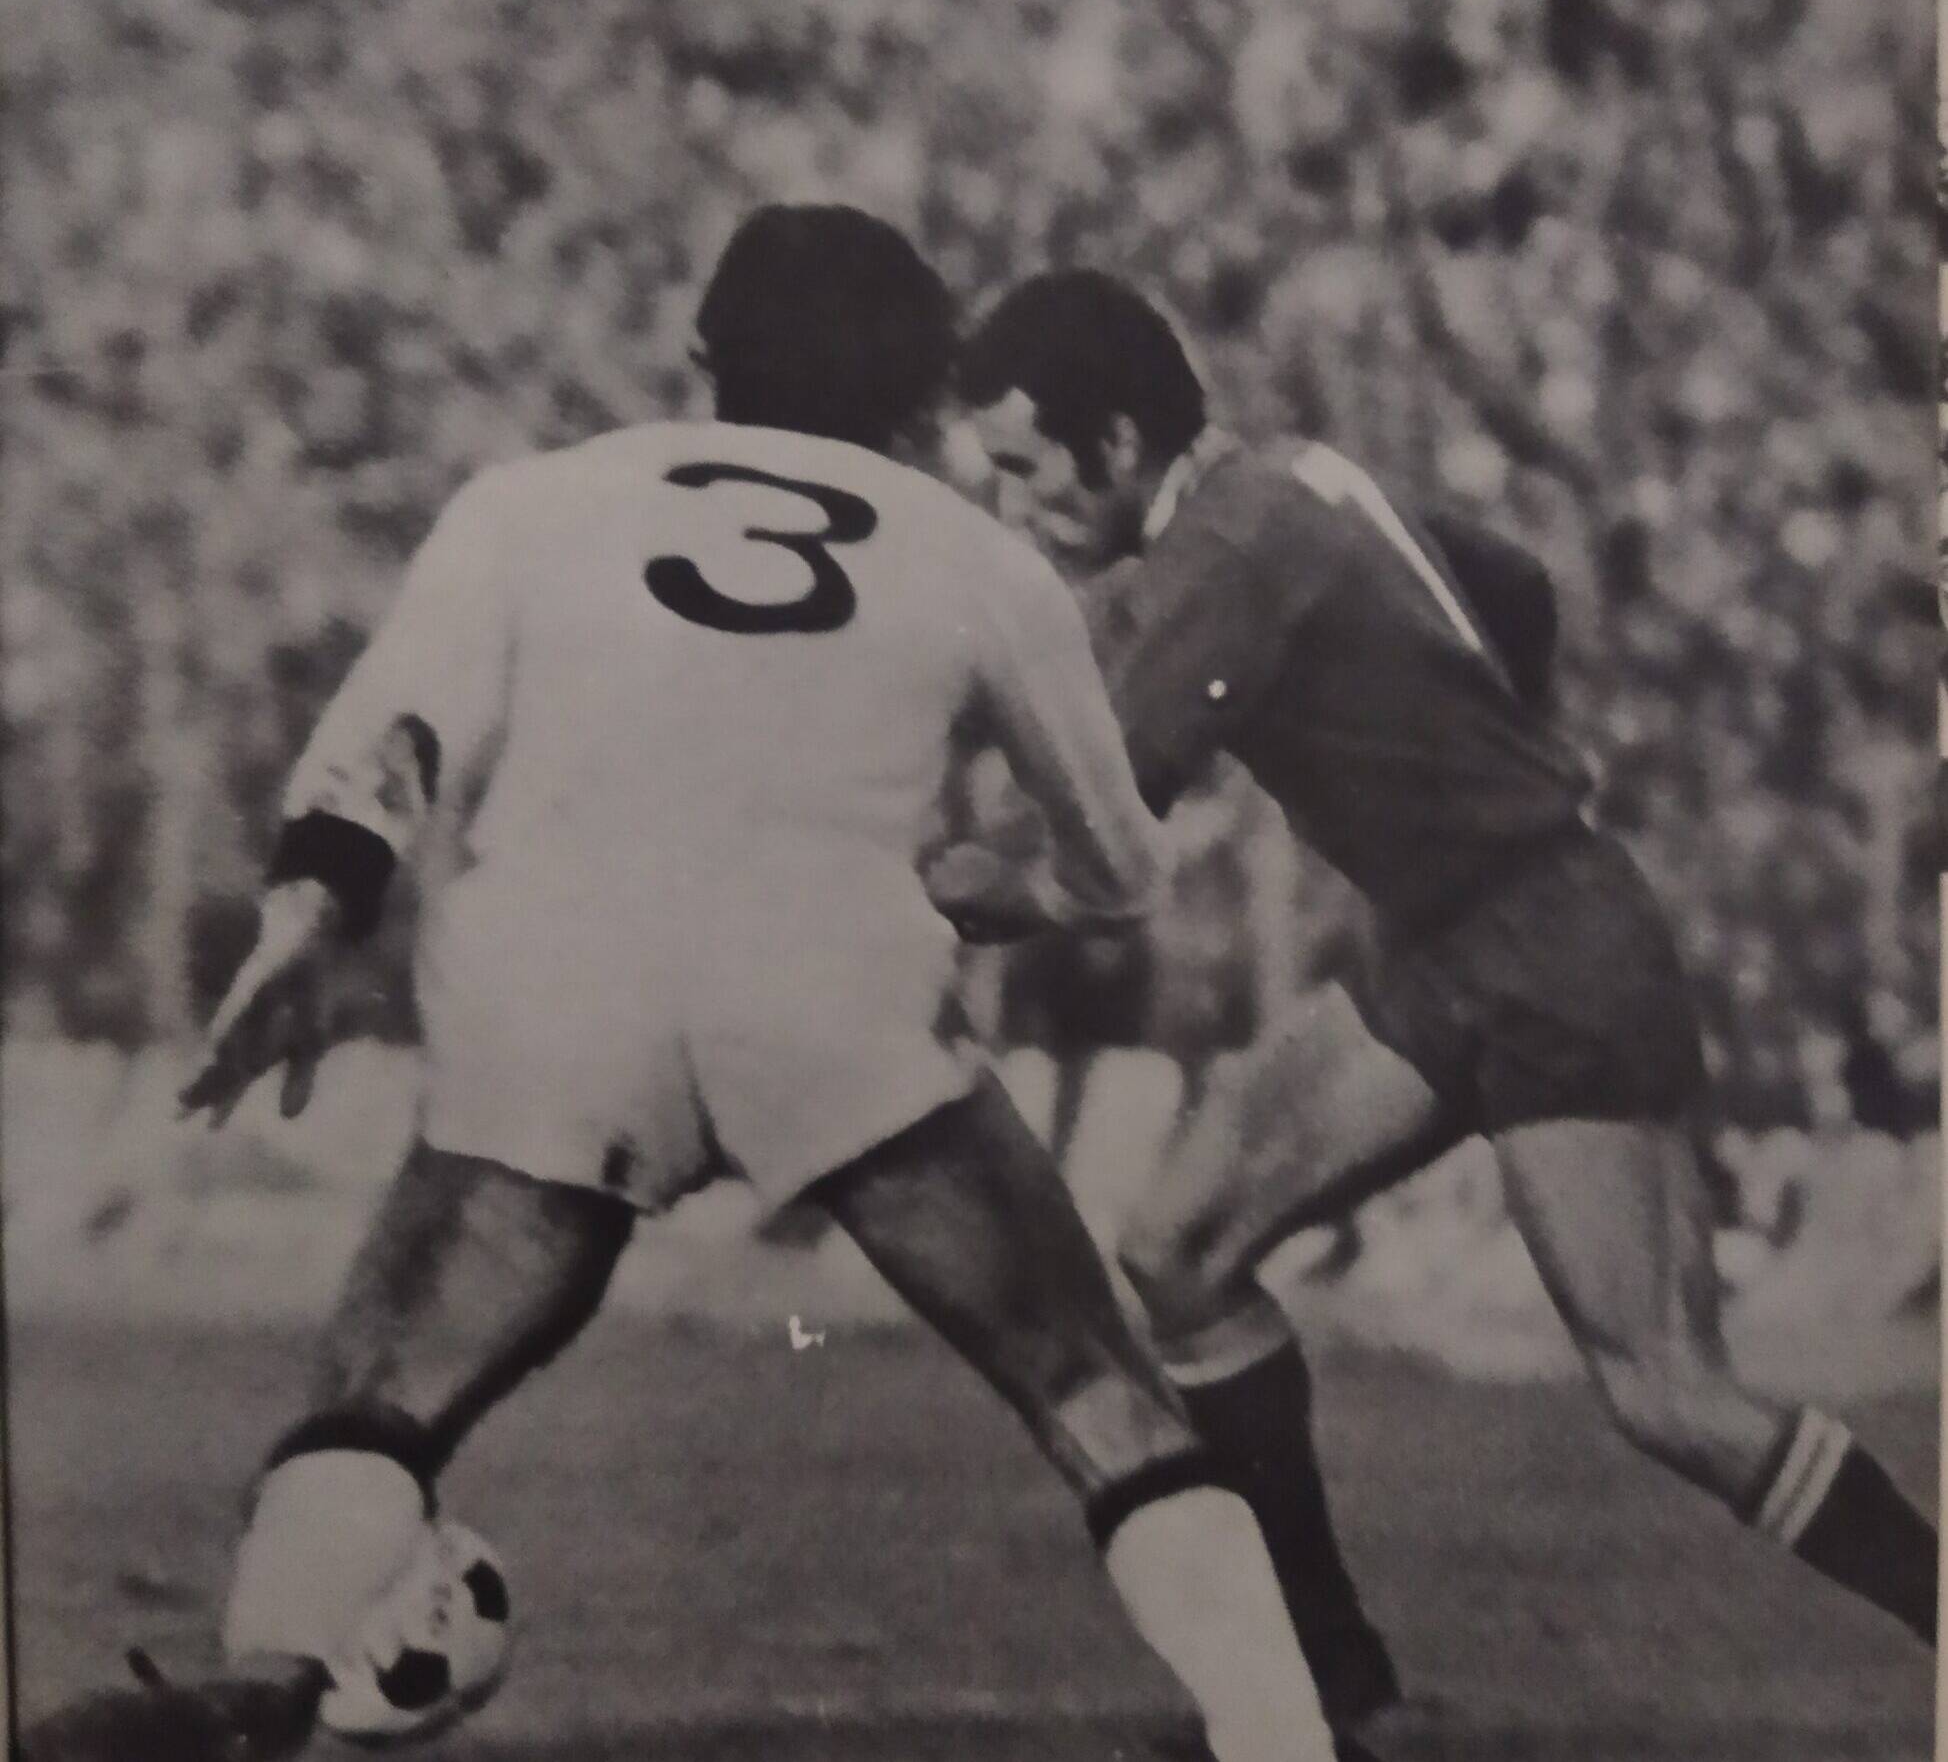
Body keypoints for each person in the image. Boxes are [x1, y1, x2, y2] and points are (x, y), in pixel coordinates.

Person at [23, 215, 1358, 1762]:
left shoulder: (529, 500)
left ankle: (263, 1679)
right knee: (1094, 1391)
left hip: (554, 986)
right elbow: (1120, 863)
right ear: (926, 394)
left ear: (704, 358)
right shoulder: (977, 556)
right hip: (832, 991)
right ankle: (1285, 1743)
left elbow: (392, 732)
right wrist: (1006, 895)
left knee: (380, 1398)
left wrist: (315, 904)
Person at [933, 267, 1938, 1729]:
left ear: (1122, 442)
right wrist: (1457, 748)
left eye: (1030, 469)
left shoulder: (1234, 543)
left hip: (1551, 951)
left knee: (1667, 1391)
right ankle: (1336, 1692)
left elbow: (1108, 840)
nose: (1016, 505)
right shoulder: (1288, 484)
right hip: (1451, 941)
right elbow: (1510, 585)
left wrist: (942, 881)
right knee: (1181, 1248)